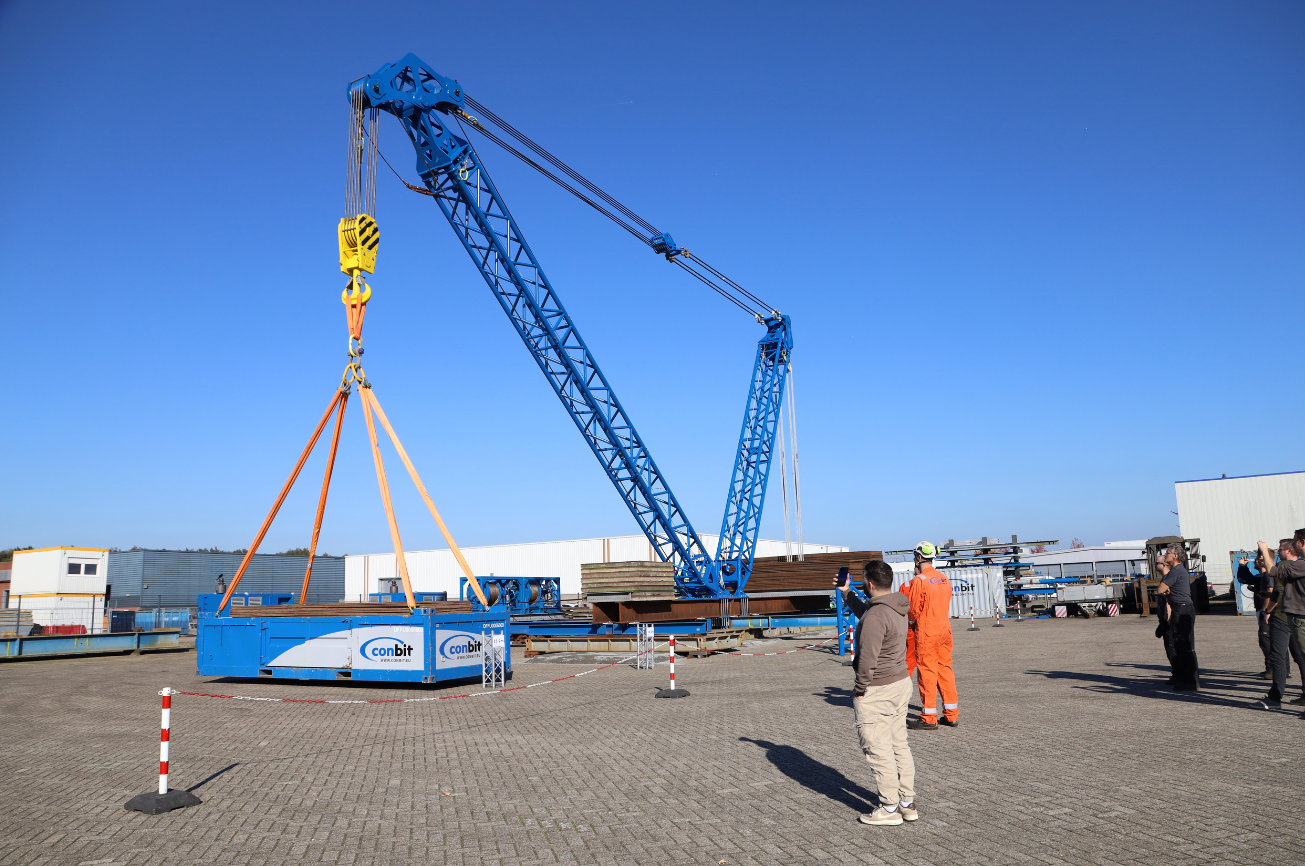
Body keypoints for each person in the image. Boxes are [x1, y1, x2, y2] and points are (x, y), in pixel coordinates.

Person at [836, 560, 916, 826]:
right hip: (900, 682)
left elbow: (868, 658)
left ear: (869, 584)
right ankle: (906, 803)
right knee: (898, 744)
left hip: (877, 689)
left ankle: (889, 808)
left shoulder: (876, 616)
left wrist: (860, 689)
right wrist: (847, 593)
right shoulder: (896, 606)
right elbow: (868, 615)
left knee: (878, 749)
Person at [905, 541, 959, 729]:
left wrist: (911, 624)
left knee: (927, 671)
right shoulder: (943, 578)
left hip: (928, 631)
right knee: (945, 669)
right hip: (945, 630)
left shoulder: (919, 581)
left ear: (919, 558)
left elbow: (912, 611)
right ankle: (951, 715)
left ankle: (929, 717)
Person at [1257, 533, 1305, 711]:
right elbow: (1287, 588)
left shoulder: (1290, 564)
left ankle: (1275, 697)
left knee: (1277, 656)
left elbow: (1276, 584)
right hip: (1294, 616)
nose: (1278, 552)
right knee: (1300, 657)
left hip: (1285, 616)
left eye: (1280, 549)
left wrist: (1267, 610)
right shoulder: (1297, 565)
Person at [1155, 544, 1200, 690]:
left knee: (1183, 646)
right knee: (1183, 646)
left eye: (1167, 553)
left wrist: (1167, 591)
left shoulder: (1176, 571)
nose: (1165, 555)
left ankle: (1190, 682)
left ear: (1175, 556)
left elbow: (1160, 589)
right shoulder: (1179, 571)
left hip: (1182, 609)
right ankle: (1187, 679)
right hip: (1183, 608)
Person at [1236, 552, 1274, 677]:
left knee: (1265, 640)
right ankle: (1281, 669)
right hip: (1265, 611)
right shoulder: (1262, 576)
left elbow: (1244, 579)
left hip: (1266, 611)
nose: (1255, 561)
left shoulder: (1266, 576)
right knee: (1273, 641)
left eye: (1258, 559)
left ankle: (1272, 668)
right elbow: (1248, 579)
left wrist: (1241, 566)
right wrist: (1244, 567)